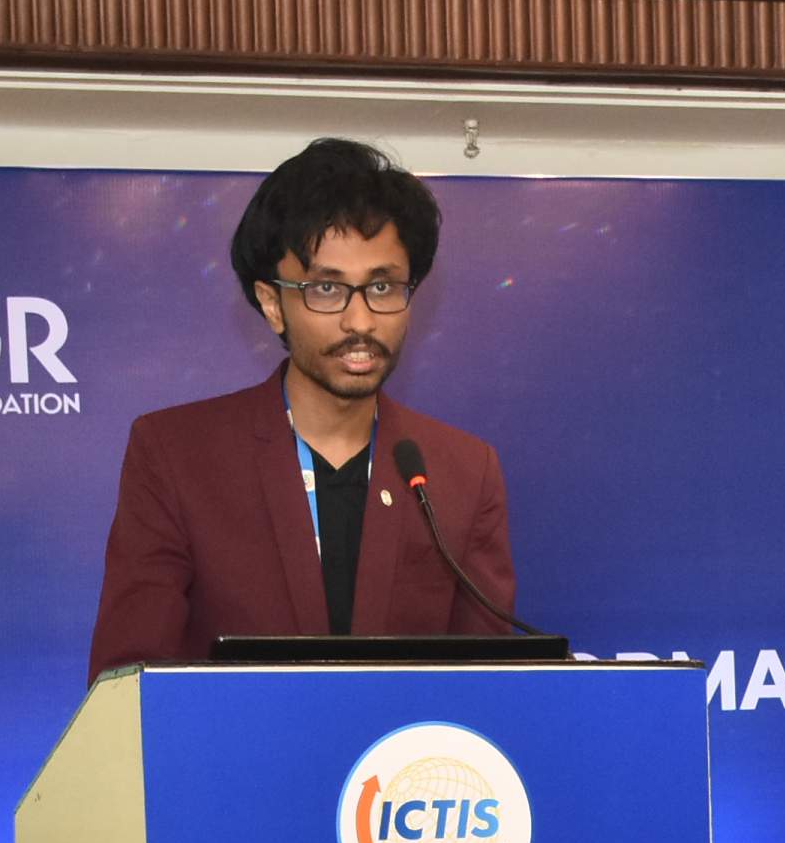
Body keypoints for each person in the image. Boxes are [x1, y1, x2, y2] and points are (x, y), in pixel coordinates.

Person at [86, 137, 517, 678]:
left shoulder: (462, 470)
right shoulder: (177, 455)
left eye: (383, 286)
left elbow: (490, 683)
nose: (361, 321)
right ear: (273, 304)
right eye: (327, 289)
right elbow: (128, 680)